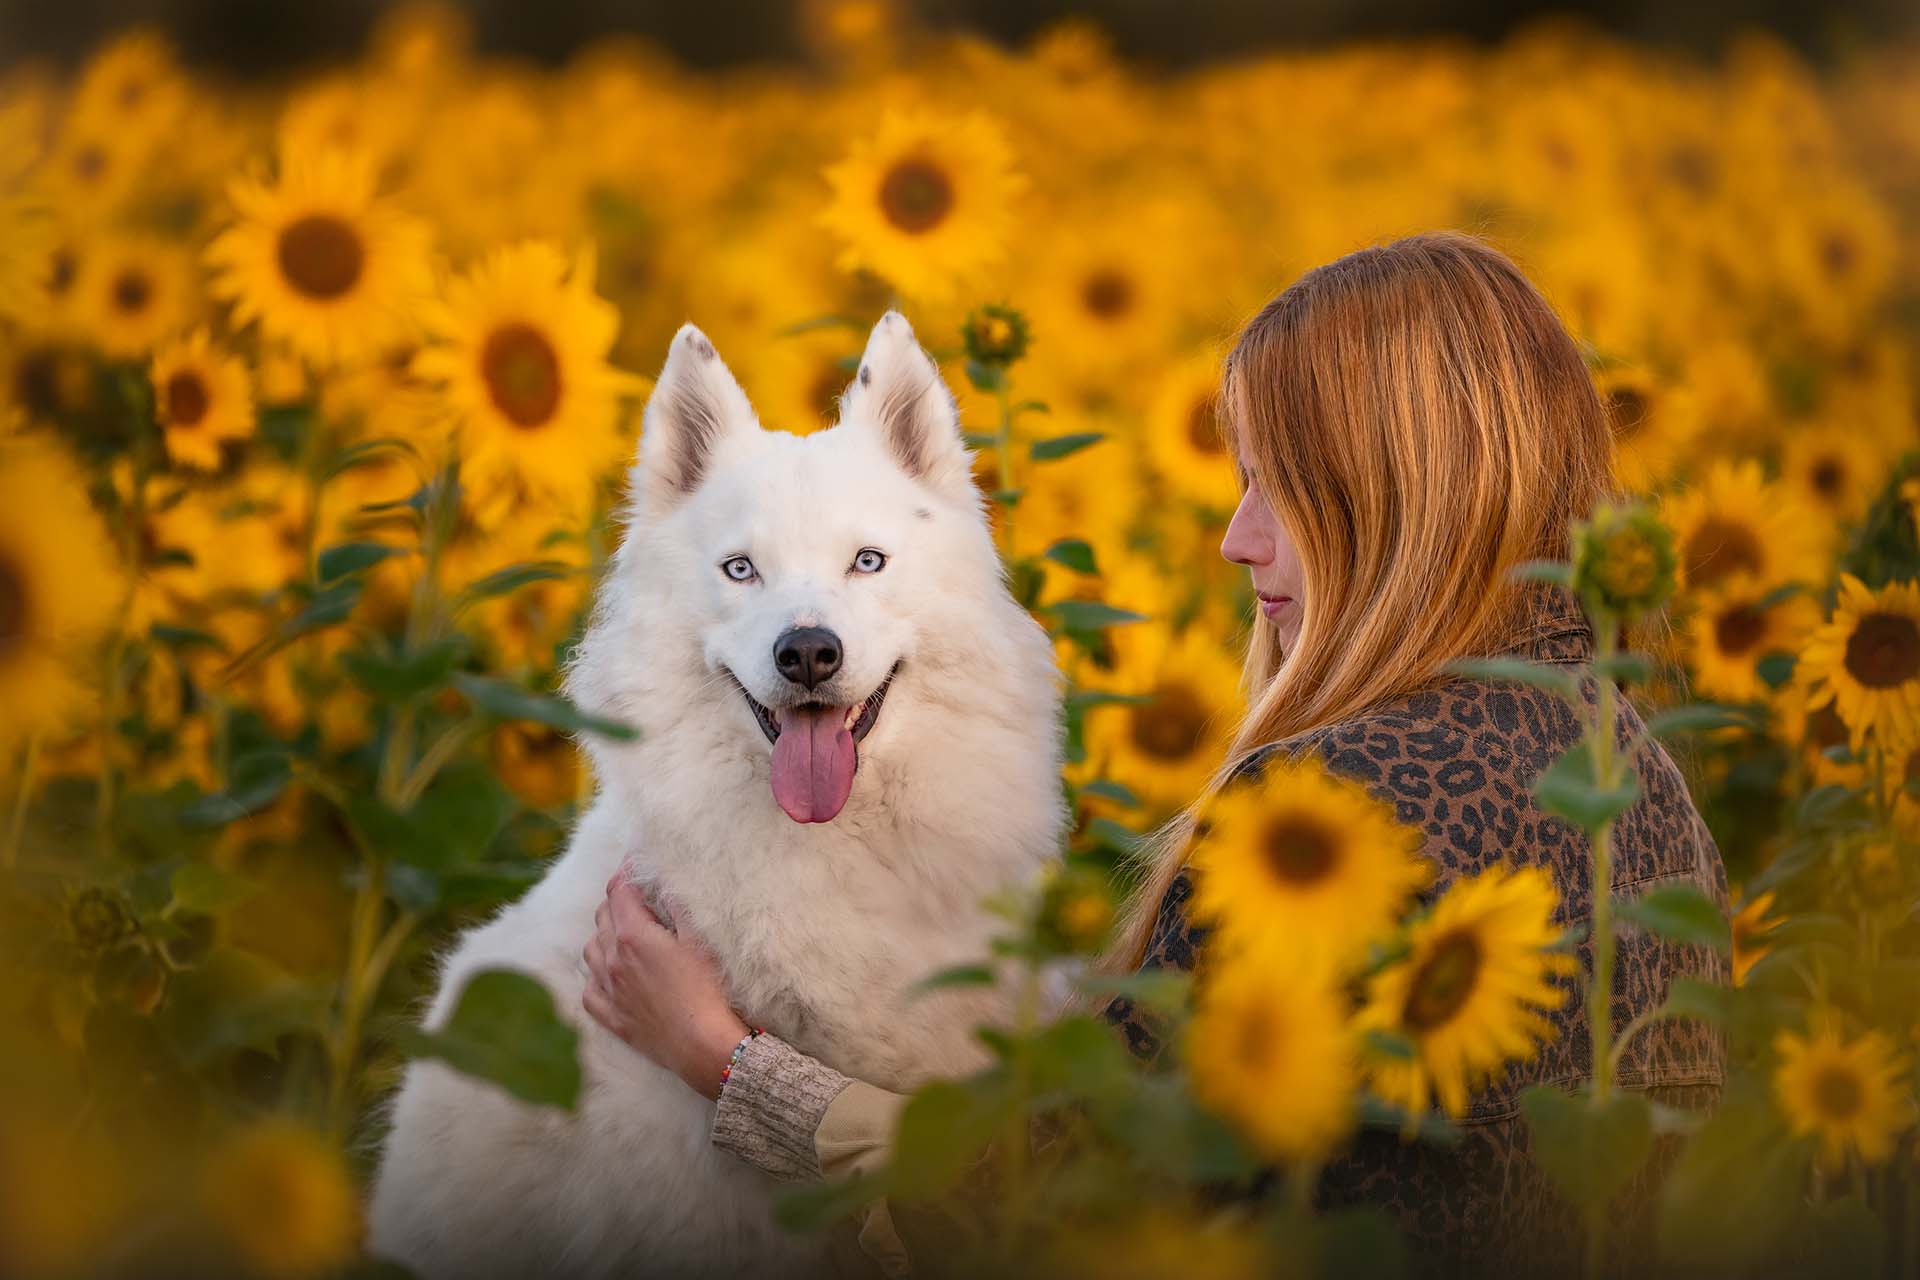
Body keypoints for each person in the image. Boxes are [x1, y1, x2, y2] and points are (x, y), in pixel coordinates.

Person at [580, 231, 1730, 1276]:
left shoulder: (1331, 808)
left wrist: (723, 1059)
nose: (1237, 539)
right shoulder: (1635, 775)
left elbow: (1059, 1202)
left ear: (1396, 501)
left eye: (1278, 484)